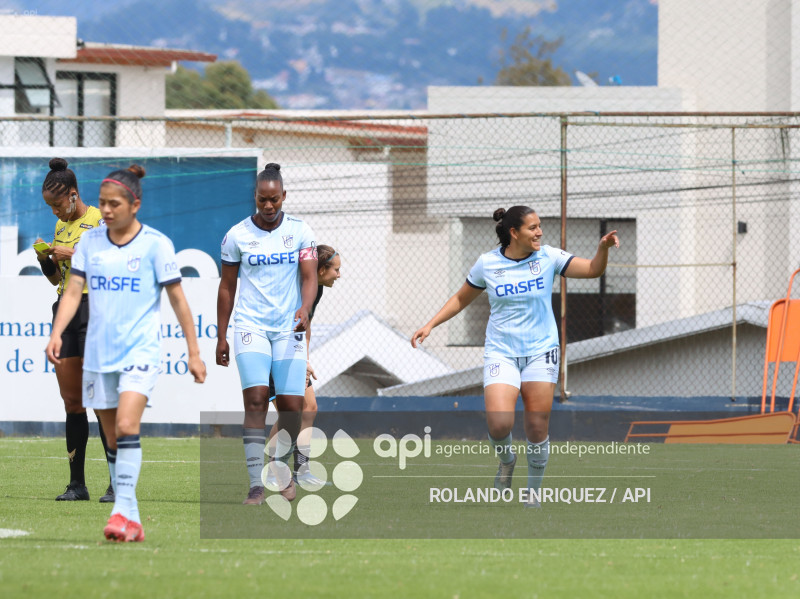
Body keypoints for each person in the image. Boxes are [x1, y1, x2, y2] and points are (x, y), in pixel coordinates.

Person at [411, 206, 619, 507]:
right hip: (502, 352)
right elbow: (459, 298)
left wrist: (602, 250)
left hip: (541, 351)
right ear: (514, 233)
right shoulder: (488, 264)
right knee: (499, 423)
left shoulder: (548, 257)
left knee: (536, 426)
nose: (540, 232)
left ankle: (532, 494)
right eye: (533, 228)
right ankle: (507, 461)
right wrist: (430, 325)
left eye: (540, 226)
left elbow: (592, 270)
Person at [45, 164, 206, 542]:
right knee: (113, 437)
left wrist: (194, 353)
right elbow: (71, 292)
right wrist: (55, 332)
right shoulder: (91, 243)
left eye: (114, 203)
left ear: (135, 204)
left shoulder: (156, 244)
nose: (106, 210)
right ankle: (131, 520)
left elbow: (179, 301)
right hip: (100, 354)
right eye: (102, 203)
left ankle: (120, 513)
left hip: (140, 350)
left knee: (127, 426)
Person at [216, 163, 318, 506]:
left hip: (288, 328)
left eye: (274, 199)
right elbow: (227, 286)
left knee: (292, 408)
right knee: (256, 400)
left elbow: (309, 277)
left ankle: (277, 464)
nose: (269, 206)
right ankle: (256, 485)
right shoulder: (236, 235)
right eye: (262, 200)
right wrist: (221, 335)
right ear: (255, 198)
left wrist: (304, 309)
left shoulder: (302, 232)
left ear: (284, 196)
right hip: (251, 327)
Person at [35, 158, 114, 503]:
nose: (55, 212)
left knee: (102, 401)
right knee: (72, 401)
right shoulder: (60, 227)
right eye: (49, 207)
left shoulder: (98, 219)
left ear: (73, 195)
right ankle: (77, 485)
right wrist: (47, 263)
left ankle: (117, 484)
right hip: (65, 310)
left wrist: (73, 252)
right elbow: (58, 280)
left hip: (95, 308)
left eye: (57, 204)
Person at [267, 244, 341, 487]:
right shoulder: (296, 289)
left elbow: (305, 326)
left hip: (293, 353)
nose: (339, 275)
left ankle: (301, 472)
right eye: (336, 270)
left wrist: (305, 360)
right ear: (320, 270)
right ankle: (272, 472)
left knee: (308, 408)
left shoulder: (315, 290)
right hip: (274, 352)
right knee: (291, 414)